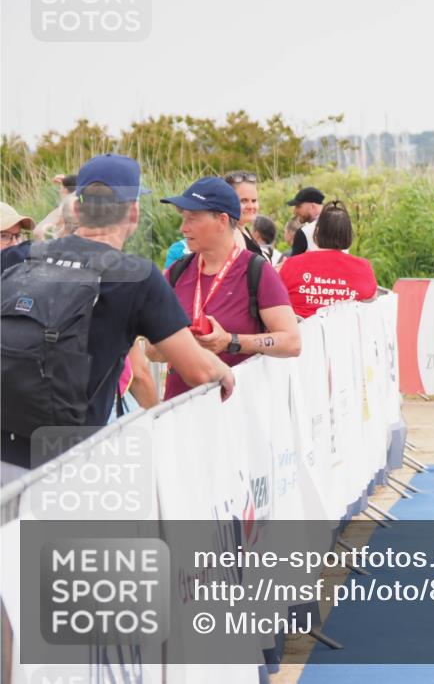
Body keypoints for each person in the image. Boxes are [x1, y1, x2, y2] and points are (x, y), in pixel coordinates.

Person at [1, 154, 235, 481]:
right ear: (134, 213)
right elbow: (198, 369)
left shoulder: (20, 256)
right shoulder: (138, 278)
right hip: (70, 463)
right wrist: (225, 369)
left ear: (78, 210)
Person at [159, 177, 300, 400]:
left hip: (238, 413)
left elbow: (292, 342)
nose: (183, 228)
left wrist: (230, 342)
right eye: (183, 219)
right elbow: (149, 350)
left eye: (192, 219)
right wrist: (181, 342)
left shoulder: (257, 271)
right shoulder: (176, 273)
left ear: (222, 221)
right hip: (181, 414)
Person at [280, 201, 377, 318]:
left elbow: (278, 301)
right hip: (348, 333)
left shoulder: (292, 265)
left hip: (304, 332)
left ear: (317, 233)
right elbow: (371, 302)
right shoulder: (363, 268)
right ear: (348, 234)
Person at [223, 170, 264, 257]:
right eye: (244, 201)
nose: (250, 206)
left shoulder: (243, 230)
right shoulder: (233, 234)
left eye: (254, 200)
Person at [31, 173, 77, 240]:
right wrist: (68, 181)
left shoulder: (62, 211)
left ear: (65, 190)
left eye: (60, 188)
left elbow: (38, 232)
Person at [286, 186, 325, 255]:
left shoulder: (304, 232)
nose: (295, 211)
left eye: (298, 206)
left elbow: (294, 264)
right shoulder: (340, 227)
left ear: (313, 206)